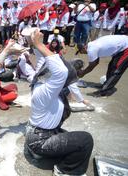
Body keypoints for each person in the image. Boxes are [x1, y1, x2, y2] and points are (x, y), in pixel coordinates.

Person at [24, 30, 93, 176]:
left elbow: (45, 61)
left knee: (72, 139)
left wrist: (35, 45)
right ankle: (64, 171)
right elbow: (61, 71)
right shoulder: (44, 91)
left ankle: (41, 154)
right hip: (40, 141)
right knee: (85, 141)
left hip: (41, 133)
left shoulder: (43, 78)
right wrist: (39, 44)